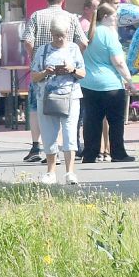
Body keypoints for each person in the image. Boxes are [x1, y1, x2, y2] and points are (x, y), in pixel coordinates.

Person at [21, 0, 88, 163]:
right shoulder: (71, 17)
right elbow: (84, 41)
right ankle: (62, 151)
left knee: (37, 109)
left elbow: (27, 40)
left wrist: (33, 55)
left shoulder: (37, 16)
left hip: (43, 70)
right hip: (67, 77)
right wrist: (73, 56)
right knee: (65, 113)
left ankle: (37, 146)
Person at [31, 15, 86, 185]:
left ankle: (70, 172)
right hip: (46, 97)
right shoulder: (42, 51)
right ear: (50, 33)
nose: (59, 38)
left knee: (70, 134)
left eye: (62, 35)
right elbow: (34, 76)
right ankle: (50, 172)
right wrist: (46, 72)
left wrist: (72, 69)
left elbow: (83, 74)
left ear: (68, 33)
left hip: (71, 97)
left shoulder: (74, 49)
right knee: (49, 135)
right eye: (55, 35)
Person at [79, 3, 136, 163]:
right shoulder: (109, 35)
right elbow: (118, 62)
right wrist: (129, 81)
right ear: (105, 17)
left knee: (92, 120)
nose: (116, 18)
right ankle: (118, 153)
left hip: (89, 83)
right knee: (115, 121)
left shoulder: (88, 32)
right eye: (114, 16)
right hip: (110, 84)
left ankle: (90, 153)